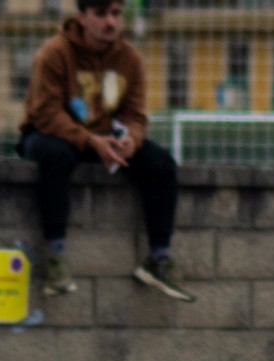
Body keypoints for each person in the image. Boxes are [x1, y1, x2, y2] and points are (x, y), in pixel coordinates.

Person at [19, 0, 193, 302]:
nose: (110, 22)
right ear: (83, 18)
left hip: (105, 138)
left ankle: (159, 258)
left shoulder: (129, 58)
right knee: (56, 156)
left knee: (161, 163)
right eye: (101, 14)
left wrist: (131, 139)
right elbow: (46, 113)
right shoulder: (54, 53)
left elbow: (136, 115)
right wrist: (90, 140)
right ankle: (55, 258)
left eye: (116, 14)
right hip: (51, 133)